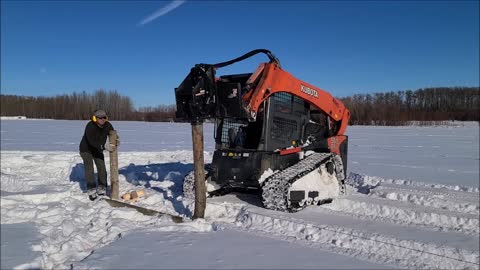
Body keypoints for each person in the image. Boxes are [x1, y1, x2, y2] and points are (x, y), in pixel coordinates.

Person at [79, 109, 117, 200]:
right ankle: (91, 189)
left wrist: (116, 141)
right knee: (89, 168)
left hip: (98, 149)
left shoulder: (108, 125)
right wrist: (104, 146)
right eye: (100, 118)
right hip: (86, 149)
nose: (102, 119)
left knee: (101, 167)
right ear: (95, 118)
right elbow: (92, 141)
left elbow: (113, 134)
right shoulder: (90, 126)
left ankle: (102, 188)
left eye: (104, 117)